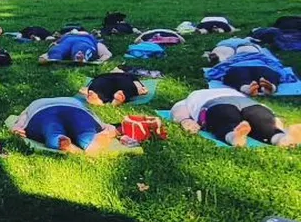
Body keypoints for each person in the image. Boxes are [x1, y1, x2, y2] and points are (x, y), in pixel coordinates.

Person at [170, 87, 301, 147]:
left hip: (240, 103)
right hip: (227, 103)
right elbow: (178, 109)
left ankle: (282, 138)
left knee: (258, 116)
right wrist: (185, 120)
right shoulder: (193, 97)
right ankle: (277, 136)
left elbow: (178, 109)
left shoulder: (194, 95)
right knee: (256, 116)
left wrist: (185, 120)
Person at [9, 96, 119, 154]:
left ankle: (59, 140)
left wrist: (18, 126)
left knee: (51, 128)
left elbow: (24, 116)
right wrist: (104, 126)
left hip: (43, 112)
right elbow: (91, 114)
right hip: (76, 109)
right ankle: (90, 139)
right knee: (84, 126)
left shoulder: (35, 103)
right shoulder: (75, 100)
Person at [81, 69, 153, 107]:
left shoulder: (103, 75)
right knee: (126, 90)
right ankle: (115, 101)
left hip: (102, 81)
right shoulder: (130, 76)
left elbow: (93, 81)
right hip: (125, 83)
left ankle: (99, 100)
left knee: (97, 88)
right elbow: (137, 84)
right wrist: (141, 89)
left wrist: (87, 89)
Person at [40, 31, 107, 64]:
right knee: (57, 51)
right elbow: (55, 44)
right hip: (67, 40)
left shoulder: (91, 38)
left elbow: (105, 53)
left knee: (81, 48)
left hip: (84, 41)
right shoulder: (64, 37)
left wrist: (101, 59)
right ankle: (53, 57)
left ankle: (79, 57)